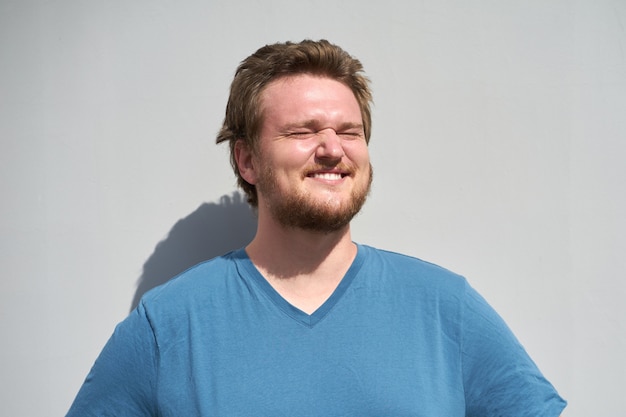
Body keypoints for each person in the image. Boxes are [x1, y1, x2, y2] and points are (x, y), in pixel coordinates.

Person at [66, 39, 566, 416]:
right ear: (247, 160)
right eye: (302, 132)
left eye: (349, 132)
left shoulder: (445, 310)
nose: (332, 147)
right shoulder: (169, 325)